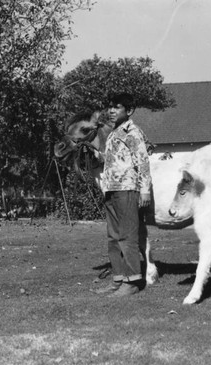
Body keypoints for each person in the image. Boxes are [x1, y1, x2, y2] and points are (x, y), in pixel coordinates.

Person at [93, 92, 152, 297]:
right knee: (113, 237)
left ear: (129, 110)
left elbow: (142, 162)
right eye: (109, 107)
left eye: (117, 107)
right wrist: (98, 155)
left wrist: (145, 189)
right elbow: (115, 159)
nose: (111, 111)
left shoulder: (133, 133)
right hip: (110, 189)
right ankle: (118, 280)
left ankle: (132, 281)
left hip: (127, 190)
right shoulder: (113, 133)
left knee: (127, 237)